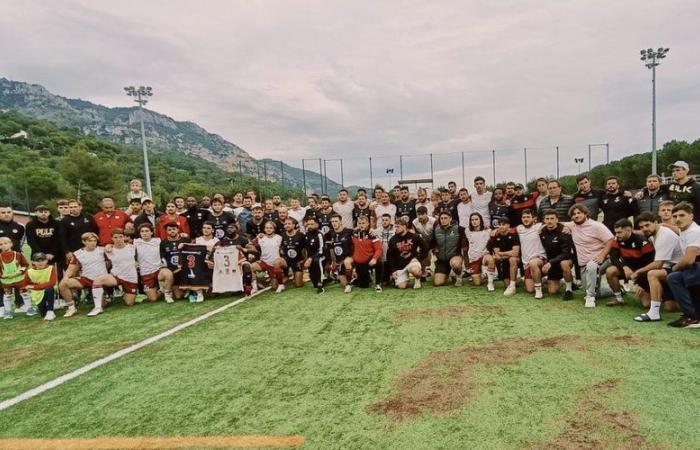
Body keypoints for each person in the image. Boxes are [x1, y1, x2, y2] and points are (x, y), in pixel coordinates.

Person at [633, 212, 683, 322]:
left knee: (652, 273)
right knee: (670, 307)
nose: (645, 229)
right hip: (670, 268)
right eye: (642, 227)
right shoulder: (654, 234)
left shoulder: (664, 235)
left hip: (680, 268)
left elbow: (658, 264)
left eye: (647, 225)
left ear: (656, 222)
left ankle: (654, 313)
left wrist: (638, 272)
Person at [561, 204, 614, 308]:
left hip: (602, 260)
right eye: (574, 214)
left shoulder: (596, 225)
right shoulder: (572, 225)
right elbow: (555, 223)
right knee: (590, 289)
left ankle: (590, 298)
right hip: (584, 264)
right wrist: (543, 226)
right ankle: (614, 288)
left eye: (579, 213)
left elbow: (610, 240)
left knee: (591, 266)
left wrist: (603, 255)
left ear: (585, 213)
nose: (576, 215)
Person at [605, 219, 655, 307]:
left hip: (643, 271)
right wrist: (625, 267)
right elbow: (614, 258)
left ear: (628, 230)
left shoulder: (642, 241)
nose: (617, 235)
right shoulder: (616, 240)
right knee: (610, 271)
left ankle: (656, 294)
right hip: (628, 270)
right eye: (616, 232)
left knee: (647, 305)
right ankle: (619, 299)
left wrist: (642, 283)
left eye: (619, 232)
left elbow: (650, 263)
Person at [666, 202, 700, 328]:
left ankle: (692, 317)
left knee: (677, 276)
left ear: (691, 216)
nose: (678, 219)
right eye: (675, 216)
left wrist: (674, 268)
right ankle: (692, 315)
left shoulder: (694, 232)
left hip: (696, 264)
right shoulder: (685, 230)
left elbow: (688, 260)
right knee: (675, 277)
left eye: (682, 215)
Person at [58, 232, 108, 317]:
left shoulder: (102, 250)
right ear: (83, 242)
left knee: (103, 304)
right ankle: (71, 308)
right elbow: (71, 268)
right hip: (86, 279)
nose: (93, 243)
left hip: (101, 280)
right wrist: (66, 277)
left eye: (94, 241)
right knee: (63, 284)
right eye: (90, 241)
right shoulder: (78, 253)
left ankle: (105, 297)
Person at [134, 223, 174, 303]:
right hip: (145, 273)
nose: (144, 233)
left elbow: (170, 240)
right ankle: (162, 290)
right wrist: (109, 246)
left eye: (147, 231)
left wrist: (183, 236)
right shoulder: (135, 242)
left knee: (168, 274)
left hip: (158, 269)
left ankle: (167, 294)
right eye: (142, 231)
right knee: (153, 299)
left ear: (151, 232)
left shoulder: (158, 241)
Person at [539, 209, 574, 299]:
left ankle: (569, 289)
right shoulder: (542, 231)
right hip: (551, 262)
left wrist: (551, 262)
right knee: (552, 291)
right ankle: (561, 280)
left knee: (564, 263)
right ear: (544, 220)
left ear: (557, 220)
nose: (549, 221)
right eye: (547, 219)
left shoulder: (564, 231)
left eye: (552, 218)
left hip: (563, 259)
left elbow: (566, 253)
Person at [98, 229, 138, 307]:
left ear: (124, 237)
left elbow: (137, 260)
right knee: (98, 281)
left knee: (129, 303)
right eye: (115, 237)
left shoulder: (132, 247)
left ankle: (124, 292)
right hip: (116, 276)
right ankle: (105, 296)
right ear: (112, 238)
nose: (118, 239)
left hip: (130, 277)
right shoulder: (108, 250)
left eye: (120, 237)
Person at [387, 218, 427, 289]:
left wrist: (417, 258)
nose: (395, 229)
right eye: (395, 227)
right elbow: (390, 257)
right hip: (400, 265)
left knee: (416, 271)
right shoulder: (393, 240)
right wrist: (393, 271)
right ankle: (408, 280)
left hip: (412, 262)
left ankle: (417, 279)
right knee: (401, 286)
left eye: (398, 227)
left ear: (404, 226)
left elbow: (425, 249)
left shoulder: (415, 236)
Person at [0, 236, 34, 319]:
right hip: (6, 281)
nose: (3, 246)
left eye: (5, 243)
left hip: (20, 279)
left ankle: (29, 308)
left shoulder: (18, 255)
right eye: (1, 244)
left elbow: (25, 265)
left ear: (11, 244)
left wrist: (19, 272)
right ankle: (8, 311)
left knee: (24, 293)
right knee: (7, 295)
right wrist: (2, 275)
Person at [516, 209, 547, 299]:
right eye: (524, 217)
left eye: (528, 217)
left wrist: (564, 227)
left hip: (539, 259)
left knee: (533, 263)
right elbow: (507, 230)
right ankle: (543, 279)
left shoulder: (539, 226)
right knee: (530, 289)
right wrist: (495, 231)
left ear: (534, 218)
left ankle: (539, 290)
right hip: (526, 263)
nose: (526, 219)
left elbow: (554, 224)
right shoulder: (519, 228)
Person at [431, 211, 465, 287]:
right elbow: (431, 244)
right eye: (441, 218)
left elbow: (470, 231)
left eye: (445, 218)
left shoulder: (458, 228)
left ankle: (458, 276)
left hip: (454, 257)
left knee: (455, 265)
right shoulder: (436, 230)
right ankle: (450, 273)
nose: (443, 220)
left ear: (450, 219)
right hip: (442, 260)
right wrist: (434, 249)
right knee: (437, 283)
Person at [250, 221, 285, 293]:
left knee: (274, 287)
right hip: (263, 262)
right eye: (267, 228)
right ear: (264, 229)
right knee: (250, 267)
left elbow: (283, 249)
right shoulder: (260, 237)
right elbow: (249, 244)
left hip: (274, 263)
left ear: (274, 229)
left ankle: (281, 283)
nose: (268, 229)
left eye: (270, 228)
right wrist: (254, 250)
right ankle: (255, 287)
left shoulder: (279, 238)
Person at [488, 217, 520, 296]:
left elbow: (515, 253)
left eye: (503, 224)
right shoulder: (496, 236)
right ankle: (519, 279)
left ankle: (513, 286)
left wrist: (503, 254)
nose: (501, 226)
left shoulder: (514, 235)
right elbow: (497, 253)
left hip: (516, 260)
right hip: (504, 260)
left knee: (512, 259)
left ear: (508, 226)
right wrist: (506, 254)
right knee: (506, 285)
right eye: (499, 225)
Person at [465, 212, 496, 290]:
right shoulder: (467, 231)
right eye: (472, 220)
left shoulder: (488, 231)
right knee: (477, 283)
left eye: (476, 219)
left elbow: (497, 231)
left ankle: (490, 283)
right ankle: (483, 274)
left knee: (490, 259)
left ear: (480, 220)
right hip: (473, 258)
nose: (474, 221)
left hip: (484, 256)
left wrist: (495, 229)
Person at [351, 215, 383, 291]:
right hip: (359, 262)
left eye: (363, 223)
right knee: (363, 285)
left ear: (368, 224)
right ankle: (362, 277)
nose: (361, 225)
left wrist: (374, 259)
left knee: (379, 262)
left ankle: (378, 284)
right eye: (359, 223)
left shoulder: (372, 234)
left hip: (369, 261)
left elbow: (379, 249)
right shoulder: (353, 233)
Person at [24, 252, 58, 321]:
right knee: (43, 314)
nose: (40, 263)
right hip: (37, 293)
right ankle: (46, 310)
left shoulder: (51, 268)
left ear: (46, 261)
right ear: (33, 262)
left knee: (49, 289)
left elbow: (52, 282)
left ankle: (50, 310)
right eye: (37, 261)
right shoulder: (29, 272)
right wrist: (33, 287)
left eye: (42, 260)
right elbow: (26, 284)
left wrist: (35, 287)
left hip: (48, 290)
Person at [326, 214, 355, 293]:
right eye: (332, 221)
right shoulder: (329, 233)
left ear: (341, 222)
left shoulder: (349, 231)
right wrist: (333, 261)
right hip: (339, 260)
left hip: (350, 257)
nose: (334, 223)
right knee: (343, 285)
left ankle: (351, 279)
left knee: (346, 262)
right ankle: (348, 279)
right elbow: (330, 249)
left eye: (336, 221)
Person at [279, 218, 305, 288]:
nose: (287, 225)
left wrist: (303, 260)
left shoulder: (300, 235)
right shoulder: (282, 235)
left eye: (289, 224)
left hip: (297, 261)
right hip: (286, 261)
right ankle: (285, 275)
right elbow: (280, 248)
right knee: (277, 262)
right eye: (285, 224)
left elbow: (305, 249)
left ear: (294, 225)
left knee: (298, 285)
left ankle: (298, 274)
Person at [303, 216, 326, 294]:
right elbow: (306, 249)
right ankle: (322, 280)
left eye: (312, 224)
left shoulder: (319, 235)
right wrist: (305, 259)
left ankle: (321, 285)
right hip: (310, 258)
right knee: (314, 283)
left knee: (317, 260)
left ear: (317, 225)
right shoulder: (306, 235)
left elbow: (321, 250)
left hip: (322, 256)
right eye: (308, 224)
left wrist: (310, 259)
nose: (309, 226)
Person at [413, 206, 436, 280]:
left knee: (437, 255)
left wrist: (436, 247)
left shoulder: (434, 221)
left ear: (426, 214)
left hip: (434, 239)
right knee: (423, 255)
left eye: (422, 214)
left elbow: (437, 234)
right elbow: (416, 235)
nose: (420, 216)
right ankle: (423, 272)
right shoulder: (414, 222)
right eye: (418, 214)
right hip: (422, 240)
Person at [374, 213, 396, 287]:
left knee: (396, 282)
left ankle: (393, 277)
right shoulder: (377, 231)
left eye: (386, 220)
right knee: (384, 283)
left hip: (393, 258)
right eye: (383, 220)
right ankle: (386, 278)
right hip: (383, 258)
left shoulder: (395, 230)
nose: (384, 222)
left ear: (390, 221)